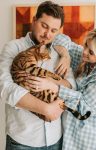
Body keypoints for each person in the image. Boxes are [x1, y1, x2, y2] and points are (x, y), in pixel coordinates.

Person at [27, 27, 96, 150]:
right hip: (74, 137)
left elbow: (83, 108)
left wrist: (54, 87)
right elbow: (59, 37)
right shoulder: (85, 59)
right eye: (86, 45)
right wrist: (65, 56)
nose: (84, 52)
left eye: (91, 52)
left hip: (94, 141)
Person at [0, 1, 76, 150]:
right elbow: (5, 87)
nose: (47, 34)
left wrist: (54, 84)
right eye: (44, 26)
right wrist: (46, 109)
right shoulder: (13, 47)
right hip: (22, 141)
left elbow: (72, 85)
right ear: (34, 20)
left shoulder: (59, 53)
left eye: (54, 30)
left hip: (56, 138)